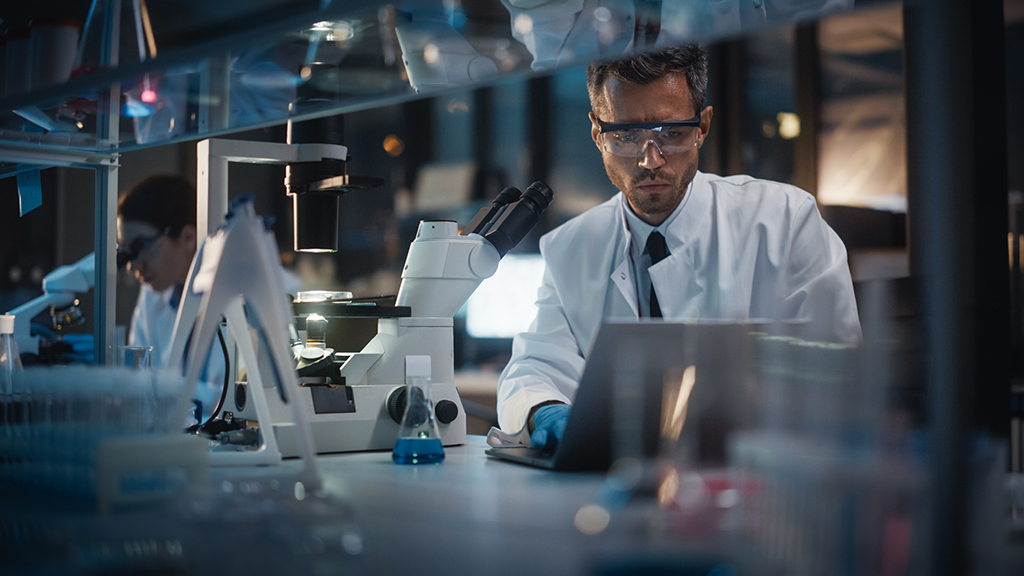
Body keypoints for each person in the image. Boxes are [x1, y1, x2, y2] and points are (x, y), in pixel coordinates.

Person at [495, 45, 861, 447]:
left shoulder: (785, 219)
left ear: (702, 126)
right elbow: (535, 367)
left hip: (758, 480)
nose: (651, 160)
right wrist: (544, 409)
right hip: (612, 479)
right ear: (598, 133)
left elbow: (839, 364)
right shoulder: (569, 247)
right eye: (627, 135)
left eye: (671, 134)